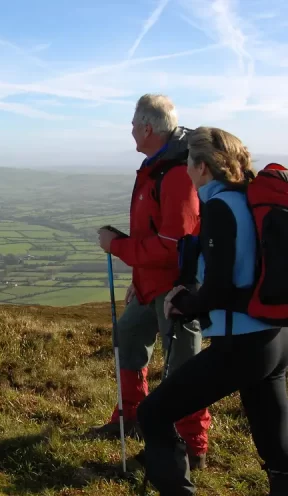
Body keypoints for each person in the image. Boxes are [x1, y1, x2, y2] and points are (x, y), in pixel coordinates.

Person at [137, 127, 288, 495]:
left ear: (202, 167)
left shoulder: (220, 207)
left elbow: (220, 288)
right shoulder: (249, 201)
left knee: (153, 413)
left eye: (188, 162)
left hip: (242, 344)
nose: (185, 170)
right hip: (277, 338)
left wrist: (182, 305)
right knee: (276, 446)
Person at [94, 94, 211, 469]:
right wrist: (138, 275)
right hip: (149, 286)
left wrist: (118, 247)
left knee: (183, 365)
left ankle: (191, 447)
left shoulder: (176, 174)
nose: (129, 129)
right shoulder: (155, 168)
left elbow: (171, 247)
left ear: (147, 127)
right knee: (126, 334)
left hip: (177, 290)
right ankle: (131, 419)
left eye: (133, 123)